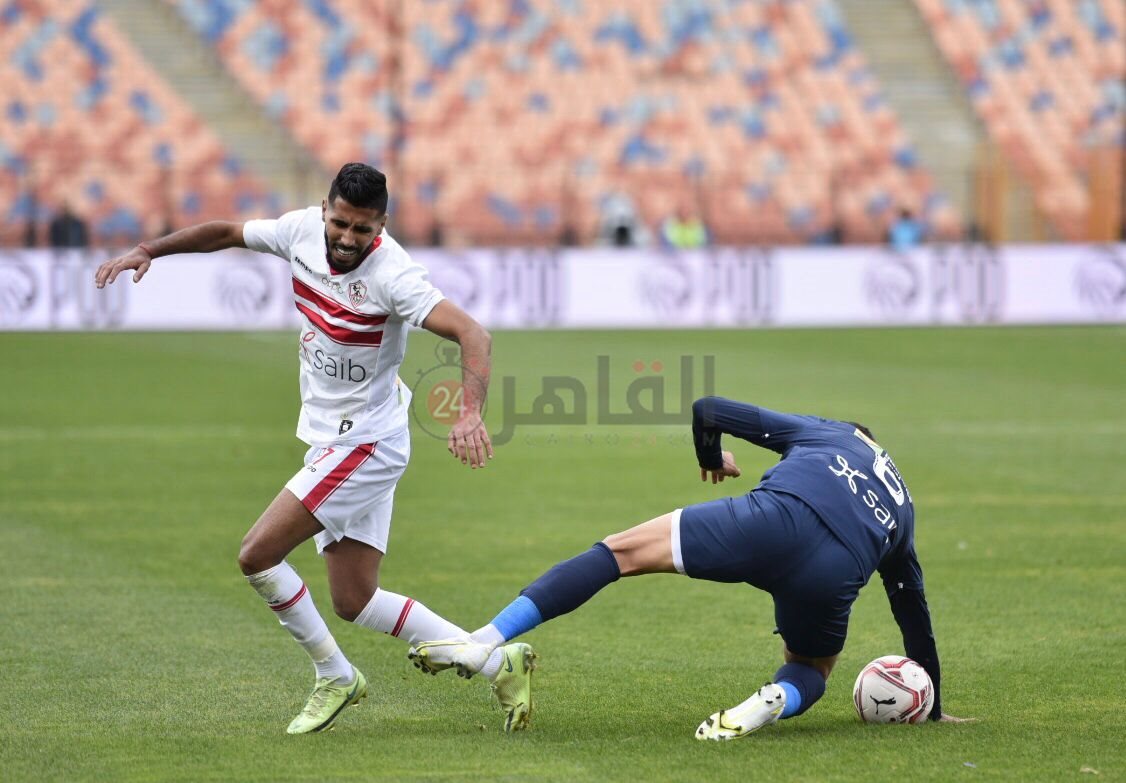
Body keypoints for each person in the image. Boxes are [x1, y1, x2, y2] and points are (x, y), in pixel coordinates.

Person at [93, 163, 535, 735]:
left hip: (366, 442)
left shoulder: (394, 276)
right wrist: (150, 249)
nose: (347, 239)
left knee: (257, 554)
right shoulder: (298, 231)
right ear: (324, 210)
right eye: (340, 224)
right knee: (354, 599)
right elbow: (226, 232)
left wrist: (469, 411)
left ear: (382, 225)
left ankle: (335, 675)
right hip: (337, 435)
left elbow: (475, 334)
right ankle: (499, 662)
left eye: (363, 229)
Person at [409, 396, 972, 738]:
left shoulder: (829, 433)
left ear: (852, 431)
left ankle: (485, 639)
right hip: (834, 572)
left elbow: (708, 409)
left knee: (619, 553)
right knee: (812, 669)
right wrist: (937, 706)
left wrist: (711, 460)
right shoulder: (904, 505)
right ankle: (770, 703)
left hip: (770, 520)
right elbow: (910, 605)